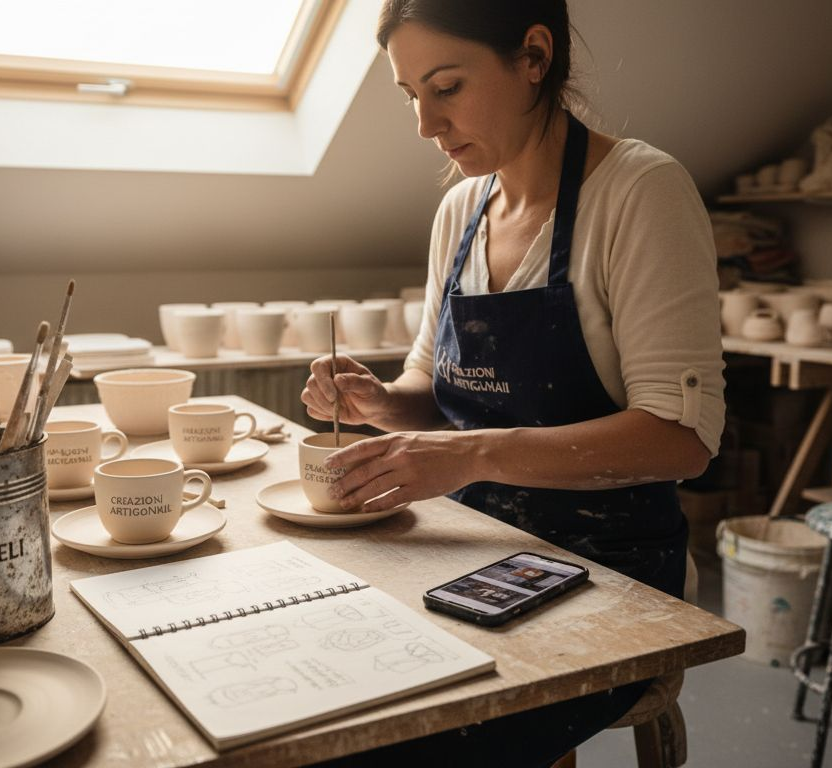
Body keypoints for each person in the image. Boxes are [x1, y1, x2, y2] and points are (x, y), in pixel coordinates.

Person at [303, 1, 724, 765]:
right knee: (321, 692)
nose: (426, 124)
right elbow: (433, 388)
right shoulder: (461, 208)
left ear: (534, 56)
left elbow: (682, 441)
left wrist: (468, 456)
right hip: (471, 543)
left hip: (610, 566)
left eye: (447, 87)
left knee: (410, 741)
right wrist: (380, 403)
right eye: (411, 96)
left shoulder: (639, 191)